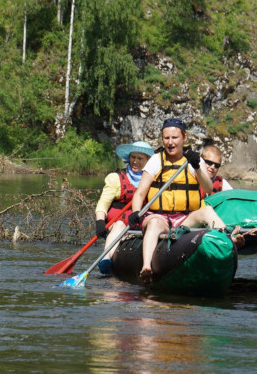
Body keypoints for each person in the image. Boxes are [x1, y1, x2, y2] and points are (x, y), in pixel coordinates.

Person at [129, 118, 243, 284]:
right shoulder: (156, 160)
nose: (170, 142)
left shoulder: (193, 161)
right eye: (166, 138)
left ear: (184, 138)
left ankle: (228, 238)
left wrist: (197, 166)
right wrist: (135, 212)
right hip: (160, 218)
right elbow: (140, 193)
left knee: (206, 211)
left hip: (184, 219)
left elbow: (208, 187)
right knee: (153, 224)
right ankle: (147, 266)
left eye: (174, 138)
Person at [95, 141, 155, 274]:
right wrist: (99, 221)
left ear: (148, 161)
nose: (135, 161)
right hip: (117, 222)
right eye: (133, 157)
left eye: (140, 158)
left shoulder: (154, 180)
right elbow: (103, 203)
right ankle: (105, 259)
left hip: (139, 221)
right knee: (120, 225)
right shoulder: (115, 178)